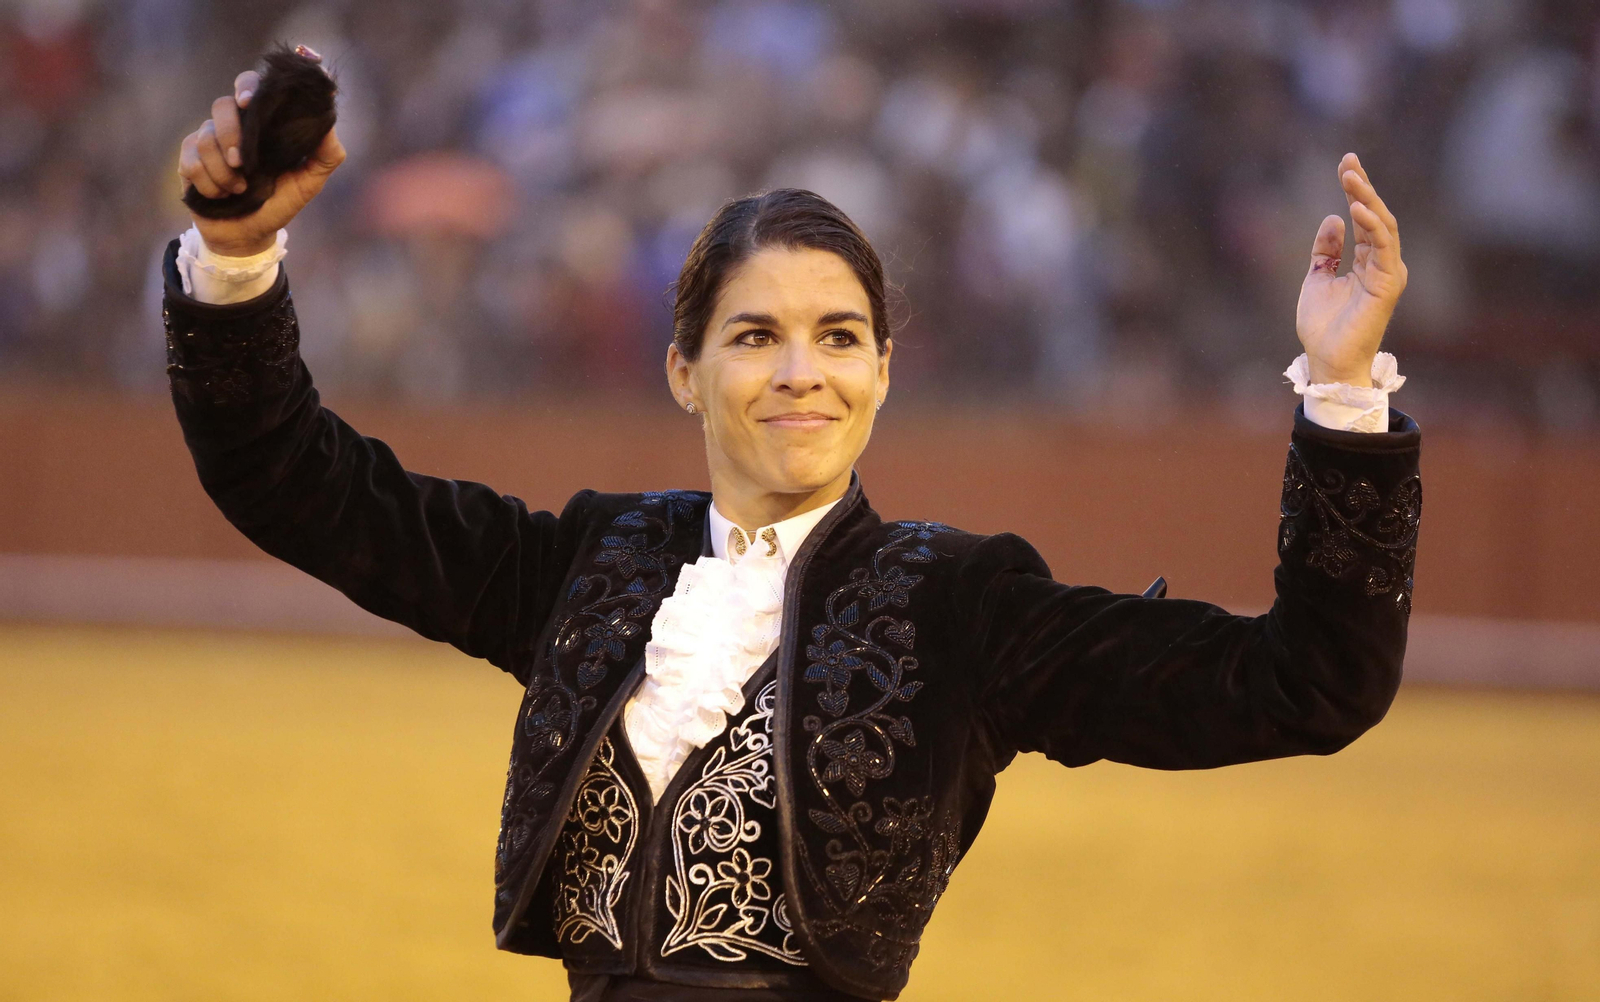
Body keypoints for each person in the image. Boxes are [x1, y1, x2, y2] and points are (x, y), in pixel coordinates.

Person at [165, 57, 1421, 1002]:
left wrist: (1340, 391)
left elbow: (1304, 685)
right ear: (683, 372)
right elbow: (291, 480)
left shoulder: (961, 606)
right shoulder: (586, 566)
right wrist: (235, 258)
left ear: (883, 371)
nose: (798, 374)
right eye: (753, 337)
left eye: (837, 337)